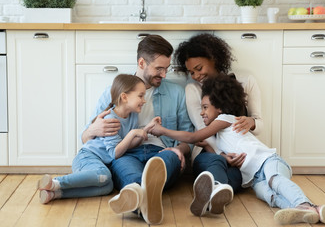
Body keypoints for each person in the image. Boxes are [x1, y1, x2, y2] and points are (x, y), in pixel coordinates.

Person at [148, 74, 325, 225]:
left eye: (205, 107)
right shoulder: (220, 136)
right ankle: (309, 212)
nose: (202, 112)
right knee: (269, 195)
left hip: (269, 162)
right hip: (253, 179)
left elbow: (192, 137)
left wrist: (162, 131)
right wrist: (209, 147)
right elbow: (218, 154)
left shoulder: (227, 119)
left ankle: (306, 204)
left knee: (275, 181)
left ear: (219, 108)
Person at [81, 35, 193, 225]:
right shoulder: (113, 92)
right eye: (159, 69)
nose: (164, 74)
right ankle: (148, 199)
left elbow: (188, 137)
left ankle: (137, 200)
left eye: (166, 69)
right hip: (126, 154)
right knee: (130, 174)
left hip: (162, 151)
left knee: (166, 160)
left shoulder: (176, 93)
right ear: (142, 62)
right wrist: (93, 129)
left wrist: (179, 150)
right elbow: (85, 139)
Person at [173, 33, 263, 214]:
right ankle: (216, 192)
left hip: (241, 155)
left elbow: (260, 124)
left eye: (199, 68)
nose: (196, 75)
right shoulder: (193, 89)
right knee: (215, 163)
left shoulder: (246, 81)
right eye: (191, 72)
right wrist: (222, 155)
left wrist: (251, 122)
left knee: (240, 176)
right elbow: (203, 132)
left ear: (214, 59)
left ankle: (212, 193)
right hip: (209, 152)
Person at [37, 74, 158, 204]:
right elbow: (115, 153)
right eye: (140, 96)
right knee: (104, 175)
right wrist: (133, 133)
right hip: (88, 157)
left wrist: (144, 131)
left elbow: (128, 145)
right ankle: (56, 182)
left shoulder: (133, 115)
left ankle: (56, 193)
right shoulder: (110, 119)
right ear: (124, 97)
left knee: (107, 187)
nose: (144, 100)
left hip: (100, 163)